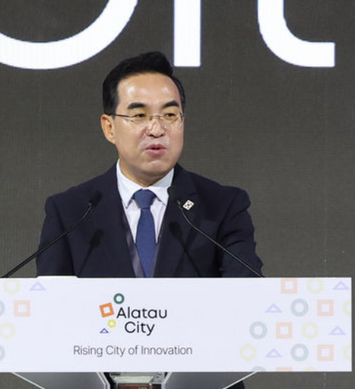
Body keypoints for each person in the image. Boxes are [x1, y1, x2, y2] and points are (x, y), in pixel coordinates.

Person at [36, 51, 262, 388]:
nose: (156, 129)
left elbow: (247, 300)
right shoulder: (70, 211)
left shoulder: (222, 206)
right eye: (139, 115)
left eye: (170, 115)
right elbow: (51, 316)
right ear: (109, 127)